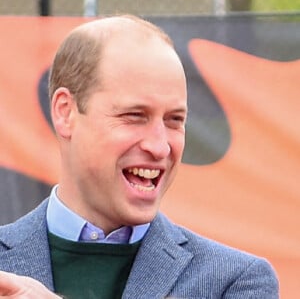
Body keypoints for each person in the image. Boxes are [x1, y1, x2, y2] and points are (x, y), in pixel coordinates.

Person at [0, 15, 278, 299]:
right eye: (134, 116)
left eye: (174, 120)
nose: (160, 147)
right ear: (65, 112)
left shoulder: (233, 281)